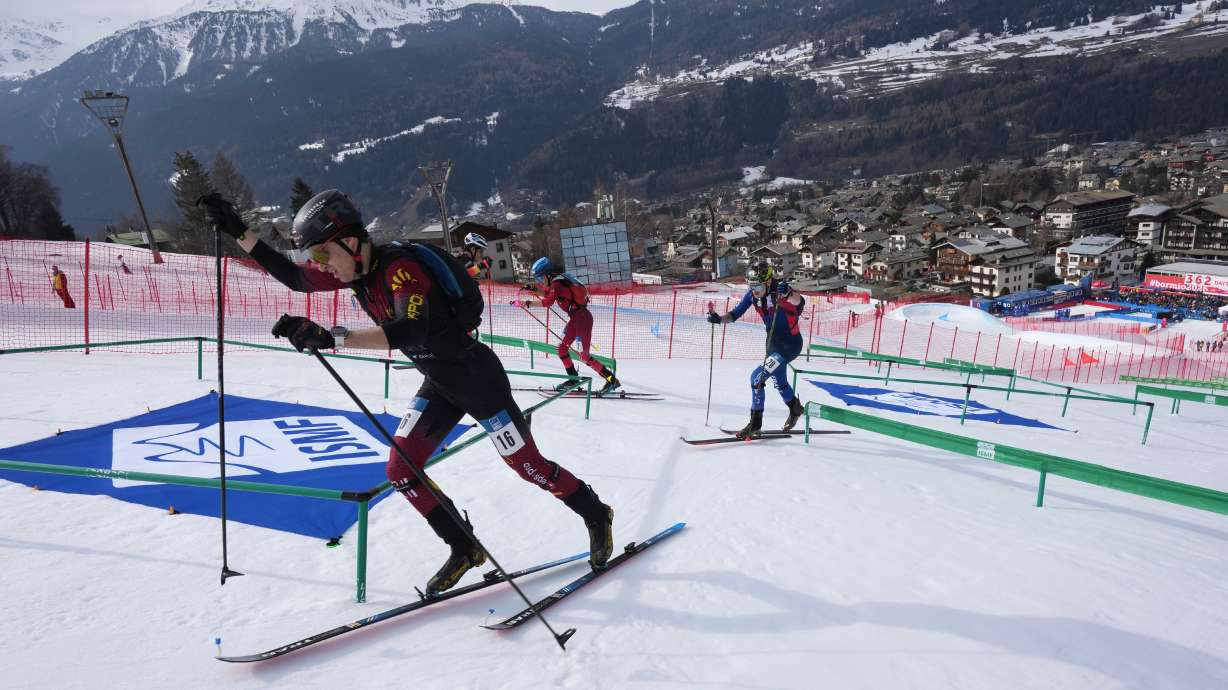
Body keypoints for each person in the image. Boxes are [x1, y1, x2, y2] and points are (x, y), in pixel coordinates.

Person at [197, 190, 614, 594]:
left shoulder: (399, 270)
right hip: (440, 384)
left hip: (477, 380)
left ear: (349, 240)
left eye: (323, 253)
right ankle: (464, 547)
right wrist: (238, 229)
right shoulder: (353, 270)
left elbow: (409, 329)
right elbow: (292, 277)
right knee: (400, 471)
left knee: (529, 467)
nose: (320, 264)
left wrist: (333, 338)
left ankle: (596, 513)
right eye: (314, 256)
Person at [707, 262, 806, 439]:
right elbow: (735, 314)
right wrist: (719, 319)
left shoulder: (781, 291)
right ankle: (795, 408)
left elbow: (799, 302)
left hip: (789, 345)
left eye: (758, 285)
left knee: (757, 378)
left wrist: (789, 293)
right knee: (779, 380)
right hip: (773, 345)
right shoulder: (753, 296)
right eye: (751, 285)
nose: (754, 290)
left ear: (768, 282)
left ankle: (755, 423)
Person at [512, 257, 621, 396]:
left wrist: (526, 303)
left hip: (582, 320)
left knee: (585, 356)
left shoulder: (557, 283)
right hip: (576, 320)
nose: (540, 282)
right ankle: (573, 379)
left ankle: (611, 380)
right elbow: (549, 294)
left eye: (540, 279)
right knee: (562, 348)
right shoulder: (557, 283)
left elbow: (547, 302)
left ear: (547, 275)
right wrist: (533, 289)